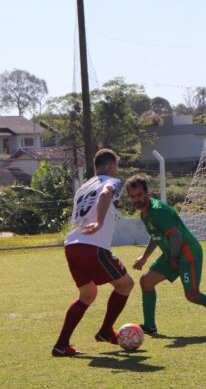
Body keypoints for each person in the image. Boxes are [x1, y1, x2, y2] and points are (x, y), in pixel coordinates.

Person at [125, 175, 206, 335]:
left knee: (193, 295)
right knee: (146, 282)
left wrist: (173, 258)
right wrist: (144, 257)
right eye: (133, 196)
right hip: (172, 253)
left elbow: (176, 236)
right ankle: (149, 326)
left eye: (139, 195)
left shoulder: (158, 211)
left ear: (147, 192)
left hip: (187, 253)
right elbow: (156, 235)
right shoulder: (145, 214)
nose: (136, 199)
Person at [52, 149, 134, 357]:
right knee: (125, 285)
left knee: (87, 294)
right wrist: (98, 222)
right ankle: (106, 331)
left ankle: (61, 345)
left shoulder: (84, 187)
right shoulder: (113, 182)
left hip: (72, 245)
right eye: (115, 166)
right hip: (92, 245)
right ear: (110, 166)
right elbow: (106, 193)